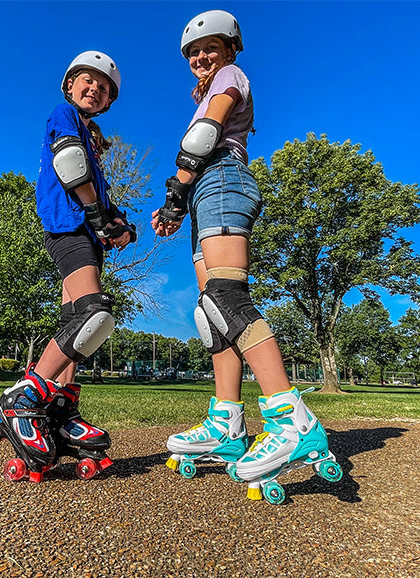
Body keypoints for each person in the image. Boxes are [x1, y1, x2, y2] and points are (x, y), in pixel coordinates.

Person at [154, 10, 341, 504]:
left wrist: (179, 186)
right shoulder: (214, 80)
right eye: (193, 52)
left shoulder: (231, 76)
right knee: (210, 315)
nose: (200, 57)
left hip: (220, 181)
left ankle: (291, 417)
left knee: (225, 297)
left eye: (209, 48)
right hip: (204, 193)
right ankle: (227, 424)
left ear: (231, 49)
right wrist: (178, 202)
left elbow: (204, 136)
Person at [0, 51, 134, 483]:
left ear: (107, 102)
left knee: (74, 324)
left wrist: (115, 219)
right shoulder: (63, 114)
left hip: (83, 230)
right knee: (93, 315)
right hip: (67, 228)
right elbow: (69, 165)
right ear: (70, 85)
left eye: (103, 88)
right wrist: (97, 213)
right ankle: (22, 400)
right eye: (88, 80)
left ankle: (60, 410)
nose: (94, 89)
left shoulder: (91, 134)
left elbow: (94, 190)